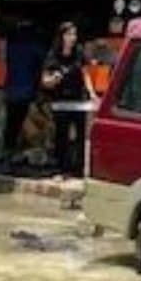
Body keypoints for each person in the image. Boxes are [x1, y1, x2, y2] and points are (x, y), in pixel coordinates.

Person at [40, 21, 94, 176]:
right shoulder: (53, 54)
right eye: (69, 34)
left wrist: (91, 93)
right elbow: (45, 80)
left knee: (80, 134)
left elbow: (85, 73)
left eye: (74, 34)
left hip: (78, 99)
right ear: (62, 36)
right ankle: (62, 167)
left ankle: (79, 167)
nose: (72, 38)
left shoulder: (78, 52)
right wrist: (53, 79)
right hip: (61, 100)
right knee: (61, 133)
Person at [3, 20, 44, 162]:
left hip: (11, 91)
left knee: (11, 124)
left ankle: (8, 152)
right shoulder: (35, 48)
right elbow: (40, 66)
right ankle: (18, 153)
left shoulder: (12, 47)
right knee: (22, 122)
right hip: (27, 92)